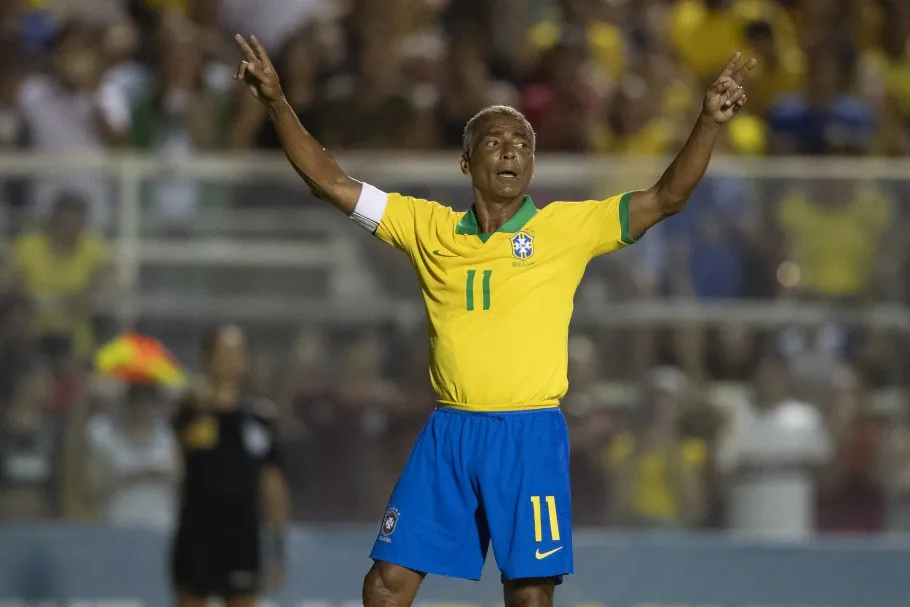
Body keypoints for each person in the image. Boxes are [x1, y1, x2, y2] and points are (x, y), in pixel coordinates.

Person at [234, 33, 755, 607]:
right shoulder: (426, 226)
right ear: (466, 160)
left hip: (529, 434)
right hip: (450, 433)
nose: (510, 151)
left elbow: (666, 198)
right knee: (384, 589)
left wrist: (707, 122)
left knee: (529, 596)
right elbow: (329, 182)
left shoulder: (565, 228)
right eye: (495, 141)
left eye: (522, 145)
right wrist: (278, 103)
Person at [170, 325, 289, 607]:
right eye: (223, 352)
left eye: (237, 352)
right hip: (196, 534)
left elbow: (272, 482)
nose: (231, 360)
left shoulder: (260, 417)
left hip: (242, 536)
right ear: (207, 358)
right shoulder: (189, 411)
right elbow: (174, 457)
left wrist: (278, 545)